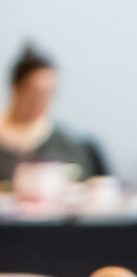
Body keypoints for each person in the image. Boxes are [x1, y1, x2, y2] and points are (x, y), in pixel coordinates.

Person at [0, 44, 111, 187]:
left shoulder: (67, 144)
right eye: (34, 92)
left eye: (49, 92)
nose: (41, 100)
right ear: (15, 89)